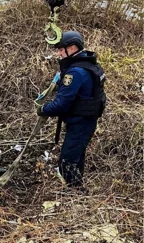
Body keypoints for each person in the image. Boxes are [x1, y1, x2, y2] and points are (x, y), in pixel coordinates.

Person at [36, 31, 106, 189]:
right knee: (76, 157)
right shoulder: (89, 63)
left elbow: (62, 104)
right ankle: (77, 190)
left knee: (66, 162)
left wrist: (43, 109)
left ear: (73, 48)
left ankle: (76, 195)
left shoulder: (76, 72)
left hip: (80, 123)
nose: (59, 53)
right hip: (85, 121)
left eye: (62, 49)